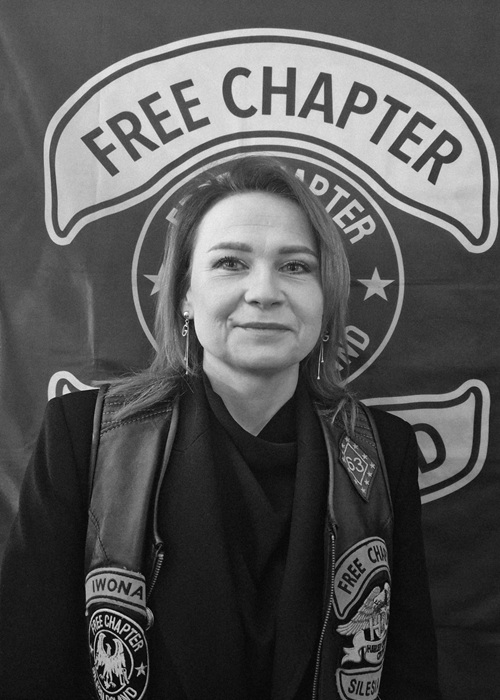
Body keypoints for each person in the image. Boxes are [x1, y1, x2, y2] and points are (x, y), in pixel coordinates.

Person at [0, 155, 440, 699]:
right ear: (185, 294)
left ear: (326, 299)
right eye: (231, 263)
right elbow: (29, 667)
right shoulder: (83, 438)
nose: (264, 291)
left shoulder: (383, 450)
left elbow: (409, 674)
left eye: (296, 266)